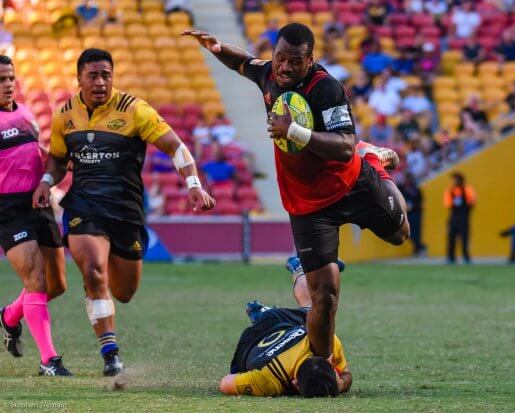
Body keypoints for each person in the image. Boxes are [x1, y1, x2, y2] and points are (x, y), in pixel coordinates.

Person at [183, 23, 409, 360]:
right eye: (280, 58)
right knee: (326, 294)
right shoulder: (270, 76)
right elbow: (245, 63)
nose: (285, 67)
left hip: (352, 184)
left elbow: (346, 147)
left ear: (310, 60)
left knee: (400, 235)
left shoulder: (327, 89)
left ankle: (374, 159)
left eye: (295, 61)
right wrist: (218, 48)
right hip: (308, 205)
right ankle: (322, 367)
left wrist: (295, 130)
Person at [32, 49, 215, 376]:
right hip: (83, 205)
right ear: (79, 79)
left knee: (124, 292)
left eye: (106, 75)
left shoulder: (135, 110)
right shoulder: (64, 116)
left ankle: (102, 309)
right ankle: (110, 353)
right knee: (92, 270)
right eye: (93, 76)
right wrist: (47, 180)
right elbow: (58, 158)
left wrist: (193, 184)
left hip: (126, 211)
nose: (101, 82)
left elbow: (176, 146)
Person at [0, 55, 72, 376]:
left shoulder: (26, 114)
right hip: (8, 209)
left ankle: (10, 315)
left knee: (56, 285)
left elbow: (33, 153)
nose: (8, 84)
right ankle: (49, 361)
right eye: (1, 79)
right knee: (36, 280)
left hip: (38, 203)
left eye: (11, 78)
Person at [220, 257, 352, 397]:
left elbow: (225, 383)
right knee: (314, 310)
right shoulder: (268, 380)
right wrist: (342, 384)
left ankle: (303, 269)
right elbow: (226, 383)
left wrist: (341, 384)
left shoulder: (269, 379)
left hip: (256, 339)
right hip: (277, 329)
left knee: (312, 307)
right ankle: (264, 313)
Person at [444, 172, 476, 263]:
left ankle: (466, 257)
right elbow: (447, 204)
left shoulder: (467, 189)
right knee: (451, 237)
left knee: (465, 238)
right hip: (454, 216)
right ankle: (451, 257)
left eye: (456, 179)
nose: (455, 181)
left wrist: (466, 206)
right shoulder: (450, 190)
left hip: (464, 217)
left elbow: (472, 202)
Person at [398, 172, 426, 255]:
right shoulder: (401, 188)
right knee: (407, 232)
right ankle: (420, 247)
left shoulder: (416, 189)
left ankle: (417, 249)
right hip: (407, 213)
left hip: (416, 213)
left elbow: (420, 200)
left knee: (416, 232)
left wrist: (414, 206)